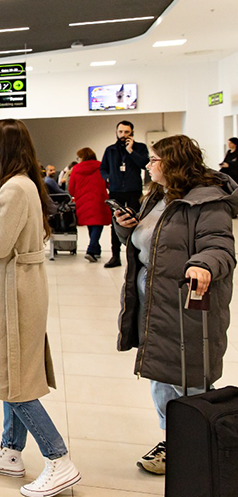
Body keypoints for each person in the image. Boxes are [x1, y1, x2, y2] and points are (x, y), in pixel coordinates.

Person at [0, 119, 81, 497]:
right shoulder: (24, 183)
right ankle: (11, 451)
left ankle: (58, 459)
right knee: (13, 369)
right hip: (18, 283)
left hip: (16, 288)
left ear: (0, 150)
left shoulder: (13, 188)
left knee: (16, 378)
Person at [112, 134, 237, 475]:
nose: (148, 164)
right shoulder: (157, 197)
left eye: (153, 159)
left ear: (172, 163)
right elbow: (146, 241)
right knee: (162, 375)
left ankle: (202, 445)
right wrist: (126, 229)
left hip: (186, 305)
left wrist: (205, 264)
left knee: (190, 378)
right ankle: (173, 440)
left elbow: (220, 246)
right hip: (154, 303)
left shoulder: (206, 202)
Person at [99, 120, 149, 268]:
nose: (123, 135)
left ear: (132, 133)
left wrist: (131, 151)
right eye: (120, 132)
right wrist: (108, 177)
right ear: (116, 132)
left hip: (133, 190)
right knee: (115, 222)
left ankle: (135, 255)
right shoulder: (110, 150)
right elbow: (103, 168)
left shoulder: (140, 148)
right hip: (116, 190)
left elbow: (144, 164)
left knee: (135, 221)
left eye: (126, 132)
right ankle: (115, 256)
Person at [67, 148, 111, 263]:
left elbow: (71, 189)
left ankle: (93, 250)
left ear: (83, 157)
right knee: (97, 223)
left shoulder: (76, 169)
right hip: (99, 199)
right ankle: (94, 249)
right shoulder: (101, 166)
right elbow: (108, 182)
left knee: (91, 224)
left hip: (83, 200)